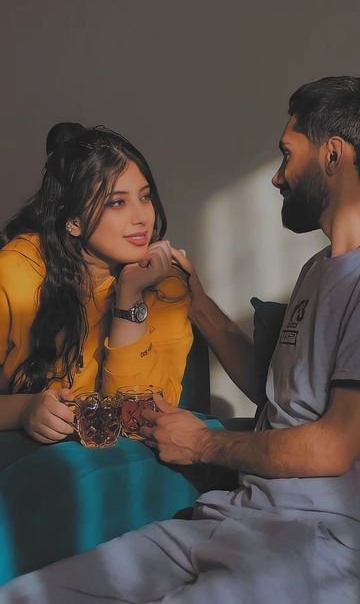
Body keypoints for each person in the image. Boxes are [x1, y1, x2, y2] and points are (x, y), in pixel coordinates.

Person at [2, 76, 360, 603]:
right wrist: (200, 305)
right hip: (232, 517)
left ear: (333, 155)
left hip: (315, 535)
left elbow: (332, 446)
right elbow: (280, 397)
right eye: (117, 202)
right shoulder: (316, 270)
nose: (277, 178)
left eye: (287, 155)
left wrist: (202, 442)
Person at [0, 123, 193, 443]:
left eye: (144, 197)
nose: (142, 217)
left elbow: (140, 421)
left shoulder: (164, 281)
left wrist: (129, 300)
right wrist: (23, 410)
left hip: (124, 463)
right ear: (73, 221)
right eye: (117, 202)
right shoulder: (16, 271)